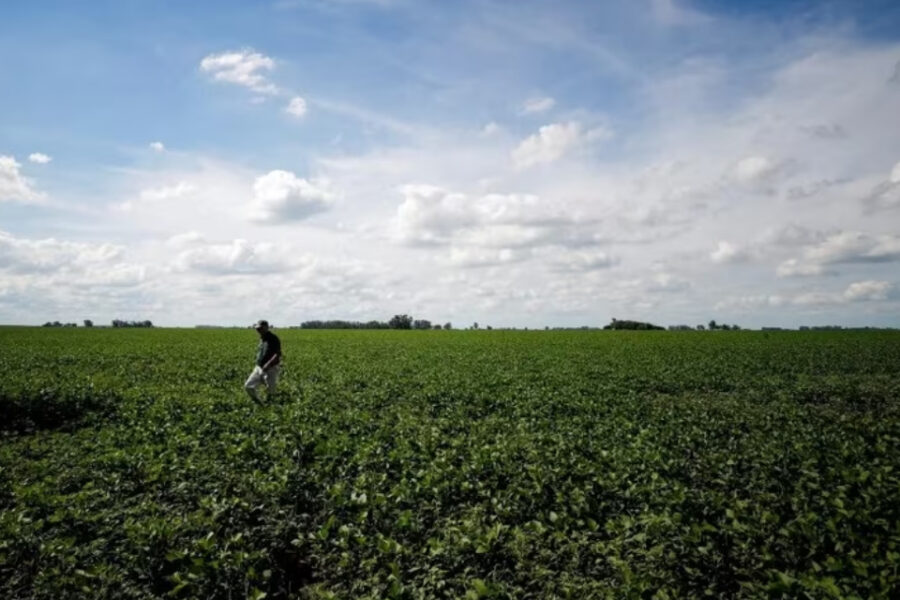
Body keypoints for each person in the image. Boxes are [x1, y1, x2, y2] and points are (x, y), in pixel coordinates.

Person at [244, 319, 282, 403]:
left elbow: (277, 354)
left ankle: (272, 408)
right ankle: (260, 404)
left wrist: (268, 364)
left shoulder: (273, 338)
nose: (258, 330)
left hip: (271, 368)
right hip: (259, 367)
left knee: (271, 392)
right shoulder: (262, 338)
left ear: (266, 327)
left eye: (260, 328)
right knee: (248, 386)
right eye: (257, 329)